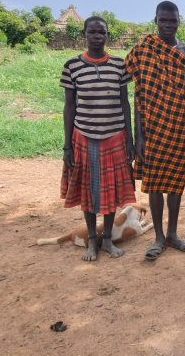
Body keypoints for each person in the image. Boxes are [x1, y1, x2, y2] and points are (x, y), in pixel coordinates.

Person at [125, 1, 185, 261]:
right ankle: (158, 236)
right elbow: (138, 96)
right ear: (155, 20)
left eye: (173, 21)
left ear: (179, 21)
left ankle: (173, 234)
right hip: (152, 129)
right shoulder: (143, 50)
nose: (168, 25)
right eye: (163, 21)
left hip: (179, 128)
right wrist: (139, 137)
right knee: (155, 184)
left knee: (176, 184)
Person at [60, 16, 135, 261]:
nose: (97, 36)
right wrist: (67, 144)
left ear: (107, 36)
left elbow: (125, 103)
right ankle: (92, 240)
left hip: (114, 136)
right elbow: (70, 106)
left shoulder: (118, 65)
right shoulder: (72, 66)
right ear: (84, 34)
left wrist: (130, 140)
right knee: (88, 191)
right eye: (92, 32)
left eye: (101, 32)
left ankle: (107, 241)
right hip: (84, 137)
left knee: (110, 192)